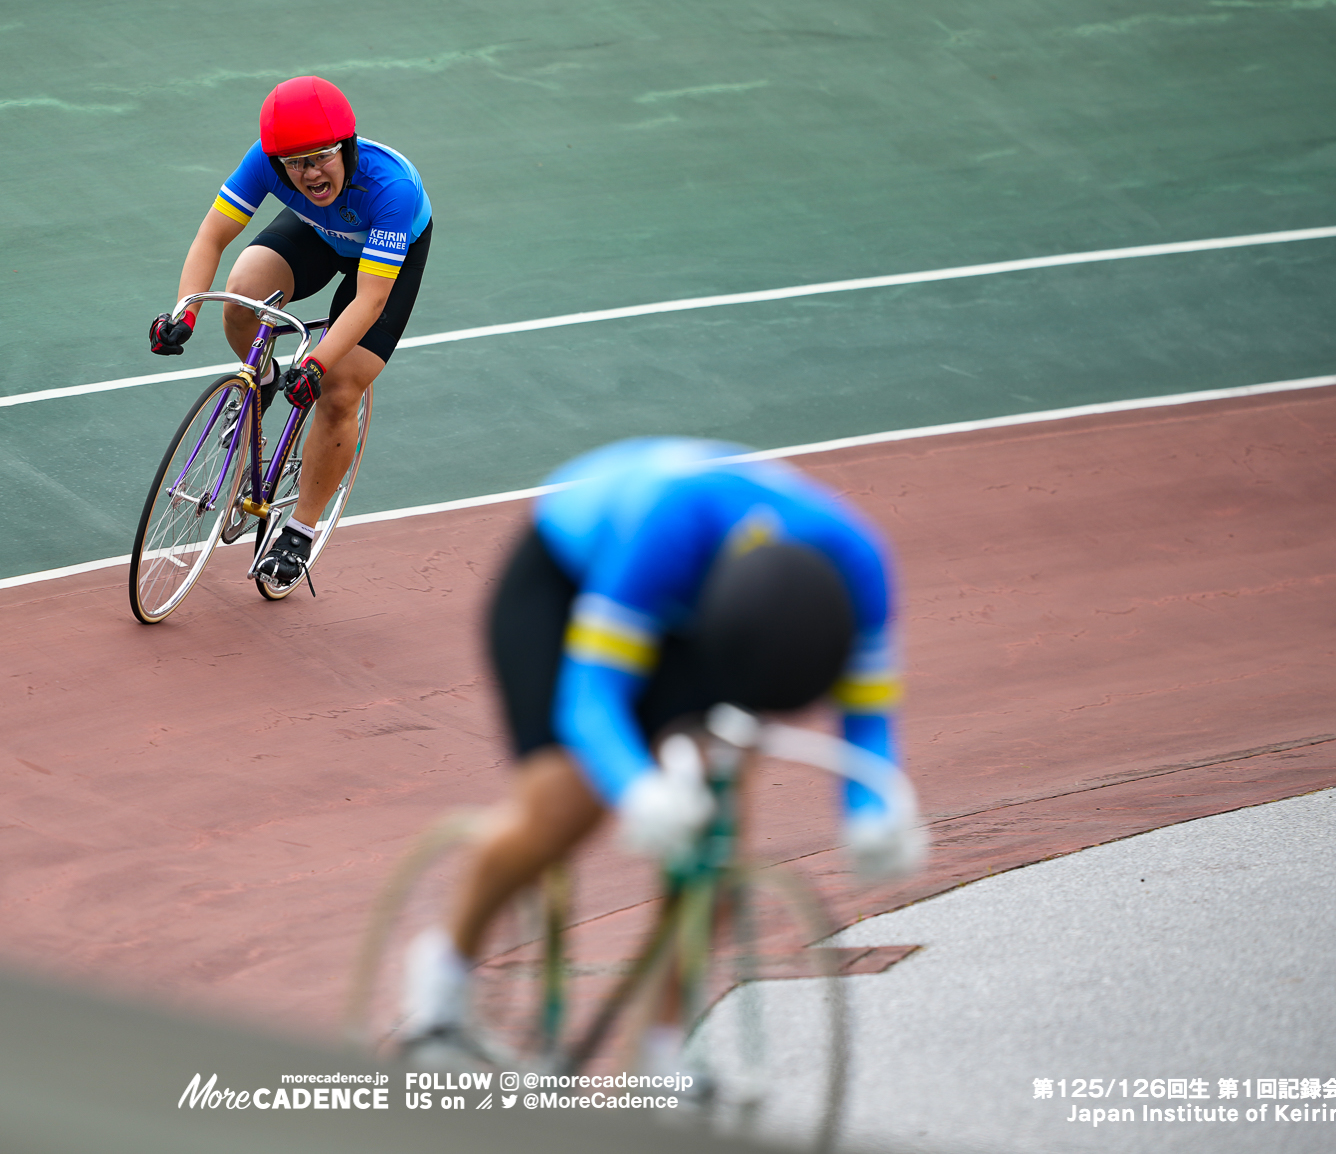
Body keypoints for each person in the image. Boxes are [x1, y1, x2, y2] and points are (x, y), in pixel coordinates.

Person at [400, 437, 926, 1068]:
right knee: (564, 805)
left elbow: (868, 724)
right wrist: (638, 791)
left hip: (720, 618)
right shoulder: (670, 526)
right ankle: (441, 986)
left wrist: (876, 809)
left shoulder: (862, 568)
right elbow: (590, 700)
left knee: (713, 836)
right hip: (569, 579)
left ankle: (660, 1048)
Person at [148, 76, 433, 590]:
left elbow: (369, 300)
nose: (309, 173)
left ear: (345, 147)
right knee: (242, 293)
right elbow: (212, 235)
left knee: (342, 387)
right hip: (322, 233)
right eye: (295, 163)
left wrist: (317, 366)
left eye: (321, 157)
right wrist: (184, 311)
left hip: (386, 253)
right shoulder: (266, 161)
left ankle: (300, 528)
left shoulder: (391, 188)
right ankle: (263, 385)